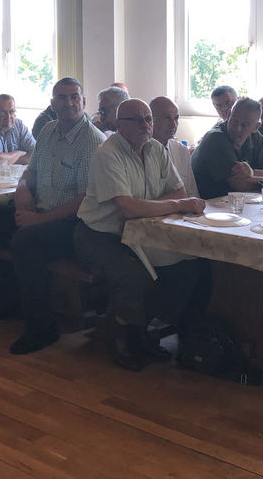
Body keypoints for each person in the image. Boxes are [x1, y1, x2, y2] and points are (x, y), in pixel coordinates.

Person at [75, 98, 209, 371]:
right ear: (118, 124)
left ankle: (145, 330)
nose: (145, 125)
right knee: (133, 275)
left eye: (148, 119)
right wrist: (174, 205)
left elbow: (178, 191)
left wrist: (149, 206)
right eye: (135, 120)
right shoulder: (107, 154)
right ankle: (122, 339)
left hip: (143, 230)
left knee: (188, 264)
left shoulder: (156, 148)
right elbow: (128, 208)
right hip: (100, 235)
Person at [0, 78, 105, 354]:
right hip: (40, 211)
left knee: (25, 242)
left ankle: (42, 328)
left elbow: (86, 200)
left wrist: (39, 220)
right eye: (62, 97)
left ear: (83, 101)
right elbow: (30, 171)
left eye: (74, 97)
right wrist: (23, 190)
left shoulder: (93, 141)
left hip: (75, 223)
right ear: (52, 103)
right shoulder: (47, 131)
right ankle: (9, 301)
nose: (69, 102)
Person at [191, 97, 263, 198]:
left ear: (256, 127)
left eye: (244, 125)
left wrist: (252, 173)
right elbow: (240, 184)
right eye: (234, 121)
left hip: (238, 201)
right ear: (228, 115)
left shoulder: (255, 137)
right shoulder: (215, 138)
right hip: (209, 202)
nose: (237, 129)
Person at [150, 96, 198, 198]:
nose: (173, 125)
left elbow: (192, 193)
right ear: (151, 120)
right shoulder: (142, 151)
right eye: (167, 118)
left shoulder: (181, 150)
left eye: (176, 118)